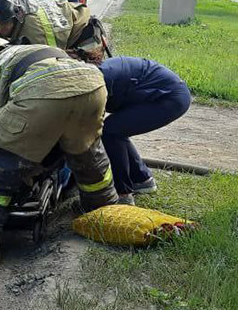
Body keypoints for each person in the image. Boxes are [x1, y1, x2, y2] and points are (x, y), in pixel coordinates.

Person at [0, 33, 119, 267]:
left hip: (46, 90)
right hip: (93, 85)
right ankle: (104, 211)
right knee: (87, 154)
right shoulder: (30, 53)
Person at [69, 52, 192, 205]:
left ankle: (123, 194)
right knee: (117, 129)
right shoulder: (96, 74)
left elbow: (89, 124)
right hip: (165, 94)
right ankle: (142, 179)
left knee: (111, 131)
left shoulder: (99, 79)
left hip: (169, 98)